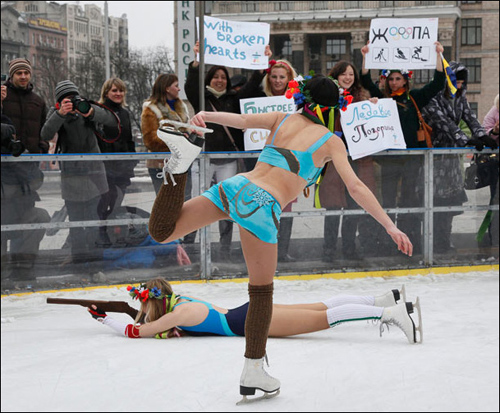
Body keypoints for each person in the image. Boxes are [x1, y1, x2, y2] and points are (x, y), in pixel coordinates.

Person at [145, 74, 414, 400]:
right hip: (260, 204)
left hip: (237, 186)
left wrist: (206, 117)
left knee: (162, 232)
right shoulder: (330, 141)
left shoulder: (284, 118)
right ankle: (253, 369)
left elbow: (243, 121)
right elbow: (356, 187)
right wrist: (390, 225)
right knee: (261, 294)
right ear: (334, 107)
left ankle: (178, 167)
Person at [88, 278, 420, 346]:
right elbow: (150, 322)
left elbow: (138, 332)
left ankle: (388, 313)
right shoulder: (179, 304)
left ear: (152, 302)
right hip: (248, 313)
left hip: (252, 321)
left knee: (322, 318)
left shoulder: (176, 315)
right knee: (319, 307)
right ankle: (381, 298)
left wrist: (106, 318)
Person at [184, 42, 270, 261]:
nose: (220, 80)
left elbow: (251, 87)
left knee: (228, 202)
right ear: (209, 79)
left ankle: (224, 247)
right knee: (196, 201)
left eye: (223, 77)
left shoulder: (234, 99)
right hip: (204, 158)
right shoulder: (201, 97)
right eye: (216, 77)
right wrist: (196, 60)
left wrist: (261, 66)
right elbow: (191, 84)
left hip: (228, 160)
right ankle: (188, 245)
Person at [360, 41, 446, 254]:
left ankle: (411, 241)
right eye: (391, 79)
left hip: (412, 158)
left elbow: (437, 83)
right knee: (387, 200)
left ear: (406, 80)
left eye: (398, 78)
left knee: (410, 199)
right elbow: (364, 80)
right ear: (387, 81)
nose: (394, 82)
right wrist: (365, 56)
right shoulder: (380, 98)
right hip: (388, 159)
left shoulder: (414, 97)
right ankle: (387, 241)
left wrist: (438, 55)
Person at [421, 62, 498, 253]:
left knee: (450, 202)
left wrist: (483, 135)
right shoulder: (434, 98)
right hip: (434, 157)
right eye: (457, 81)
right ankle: (431, 242)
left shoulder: (460, 98)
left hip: (451, 159)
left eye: (463, 82)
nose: (460, 85)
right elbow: (444, 123)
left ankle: (444, 240)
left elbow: (470, 117)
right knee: (434, 202)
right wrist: (466, 140)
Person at [41, 80, 117, 266]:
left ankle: (94, 262)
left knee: (94, 222)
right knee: (75, 224)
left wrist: (90, 112)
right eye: (66, 99)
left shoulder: (86, 108)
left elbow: (112, 121)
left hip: (94, 175)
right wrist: (60, 114)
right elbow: (45, 134)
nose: (72, 102)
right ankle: (78, 261)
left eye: (74, 97)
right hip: (71, 176)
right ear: (59, 102)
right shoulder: (57, 113)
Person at [316, 61, 379, 261]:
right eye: (343, 74)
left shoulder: (363, 98)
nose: (348, 77)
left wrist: (374, 107)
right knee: (334, 205)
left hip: (358, 158)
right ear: (336, 76)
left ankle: (350, 247)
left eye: (351, 74)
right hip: (334, 157)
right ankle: (328, 249)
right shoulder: (326, 98)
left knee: (355, 205)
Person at [243, 58, 300, 262]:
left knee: (285, 208)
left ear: (289, 78)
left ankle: (282, 250)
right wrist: (260, 68)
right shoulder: (258, 98)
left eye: (282, 77)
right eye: (273, 77)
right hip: (262, 162)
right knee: (260, 207)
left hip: (287, 163)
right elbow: (244, 96)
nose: (277, 81)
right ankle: (261, 251)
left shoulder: (297, 102)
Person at [1, 58, 50, 279]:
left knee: (32, 220)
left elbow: (43, 132)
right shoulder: (2, 97)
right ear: (11, 76)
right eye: (18, 73)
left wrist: (40, 148)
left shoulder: (38, 102)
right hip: (5, 175)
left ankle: (23, 270)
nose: (23, 76)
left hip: (27, 178)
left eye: (26, 73)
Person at [96, 77, 137, 247]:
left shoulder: (125, 113)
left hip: (122, 166)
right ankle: (100, 233)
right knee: (105, 201)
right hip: (106, 166)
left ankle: (111, 235)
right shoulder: (100, 111)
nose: (118, 93)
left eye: (121, 90)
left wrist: (131, 160)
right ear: (106, 92)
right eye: (114, 90)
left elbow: (128, 139)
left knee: (116, 203)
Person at [481, 94, 500, 247]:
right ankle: (493, 240)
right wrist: (495, 131)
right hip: (497, 164)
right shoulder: (494, 111)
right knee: (496, 201)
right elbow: (484, 133)